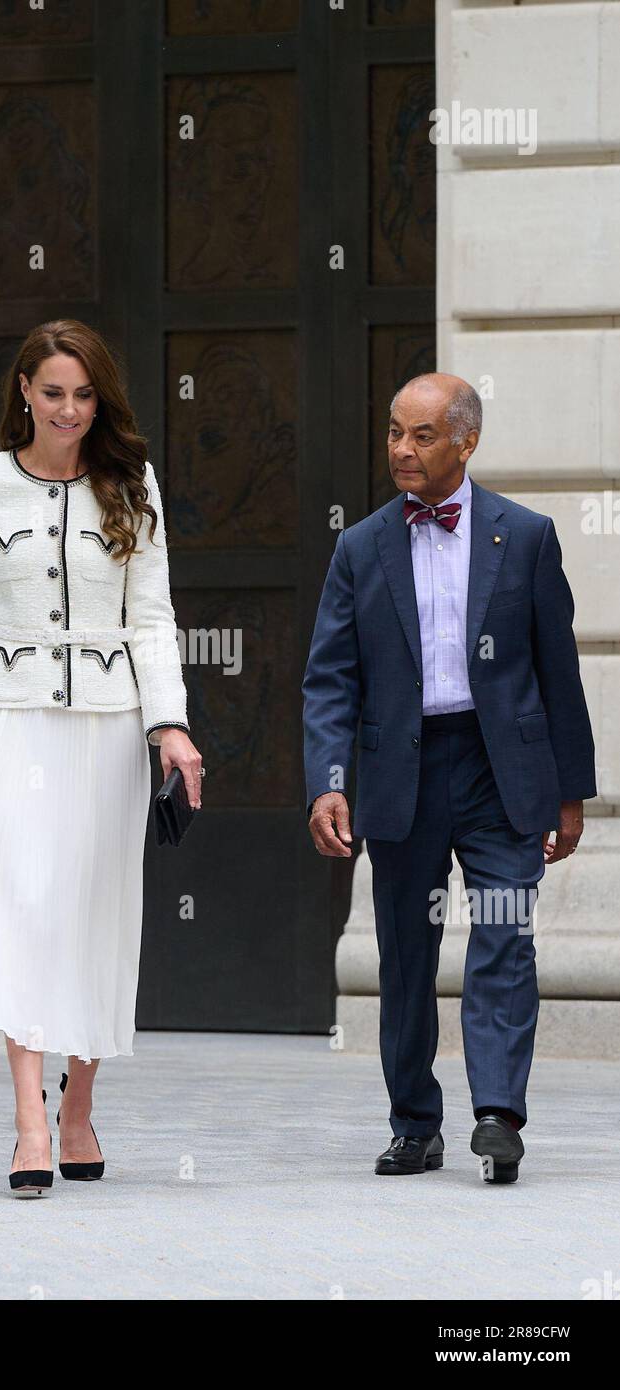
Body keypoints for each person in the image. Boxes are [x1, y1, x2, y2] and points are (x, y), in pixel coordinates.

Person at [0, 319, 203, 1197]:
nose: (68, 409)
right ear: (24, 394)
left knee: (92, 914)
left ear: (97, 399)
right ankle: (30, 1119)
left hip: (109, 731)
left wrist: (169, 726)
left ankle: (78, 1108)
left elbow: (152, 618)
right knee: (21, 907)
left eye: (83, 394)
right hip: (14, 722)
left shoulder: (131, 481)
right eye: (53, 392)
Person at [302, 373, 597, 1184]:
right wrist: (328, 780)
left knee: (503, 938)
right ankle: (414, 1124)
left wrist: (570, 792)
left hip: (499, 771)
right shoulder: (359, 547)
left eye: (421, 435)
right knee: (404, 953)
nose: (401, 448)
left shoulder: (525, 535)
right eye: (394, 431)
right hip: (403, 773)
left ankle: (497, 1113)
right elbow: (329, 677)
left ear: (465, 441)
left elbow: (556, 671)